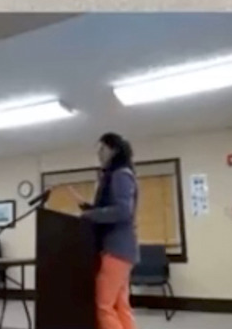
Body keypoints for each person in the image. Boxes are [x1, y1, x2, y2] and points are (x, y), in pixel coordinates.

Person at [71, 133, 139, 329]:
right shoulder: (122, 174)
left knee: (103, 307)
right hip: (122, 251)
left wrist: (89, 215)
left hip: (116, 250)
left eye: (102, 149)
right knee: (120, 305)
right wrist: (89, 208)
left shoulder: (120, 174)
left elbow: (122, 211)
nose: (99, 154)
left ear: (114, 150)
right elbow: (112, 209)